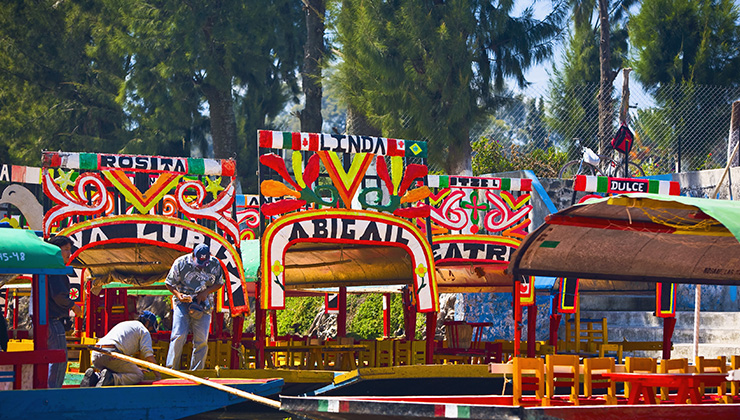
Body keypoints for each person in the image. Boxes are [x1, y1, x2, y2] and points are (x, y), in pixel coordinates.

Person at [164, 243, 224, 370]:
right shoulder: (180, 263)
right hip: (182, 303)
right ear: (193, 255)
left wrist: (206, 292)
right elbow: (169, 283)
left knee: (201, 339)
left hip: (204, 304)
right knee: (179, 334)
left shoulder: (215, 263)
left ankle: (197, 372)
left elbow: (219, 283)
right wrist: (178, 295)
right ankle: (171, 369)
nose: (202, 266)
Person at [81, 311, 161, 387]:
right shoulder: (144, 331)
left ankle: (95, 376)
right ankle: (111, 379)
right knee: (138, 375)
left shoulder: (127, 324)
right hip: (111, 354)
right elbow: (149, 356)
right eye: (151, 328)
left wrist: (136, 368)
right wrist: (158, 376)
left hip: (96, 354)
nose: (150, 332)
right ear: (147, 323)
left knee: (114, 370)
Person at [46, 235, 83, 388]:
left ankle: (49, 388)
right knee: (59, 357)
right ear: (56, 251)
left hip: (46, 319)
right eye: (66, 250)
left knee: (53, 357)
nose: (69, 253)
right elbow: (59, 296)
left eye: (70, 250)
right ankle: (53, 391)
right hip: (52, 319)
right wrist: (74, 306)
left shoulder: (50, 267)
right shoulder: (56, 268)